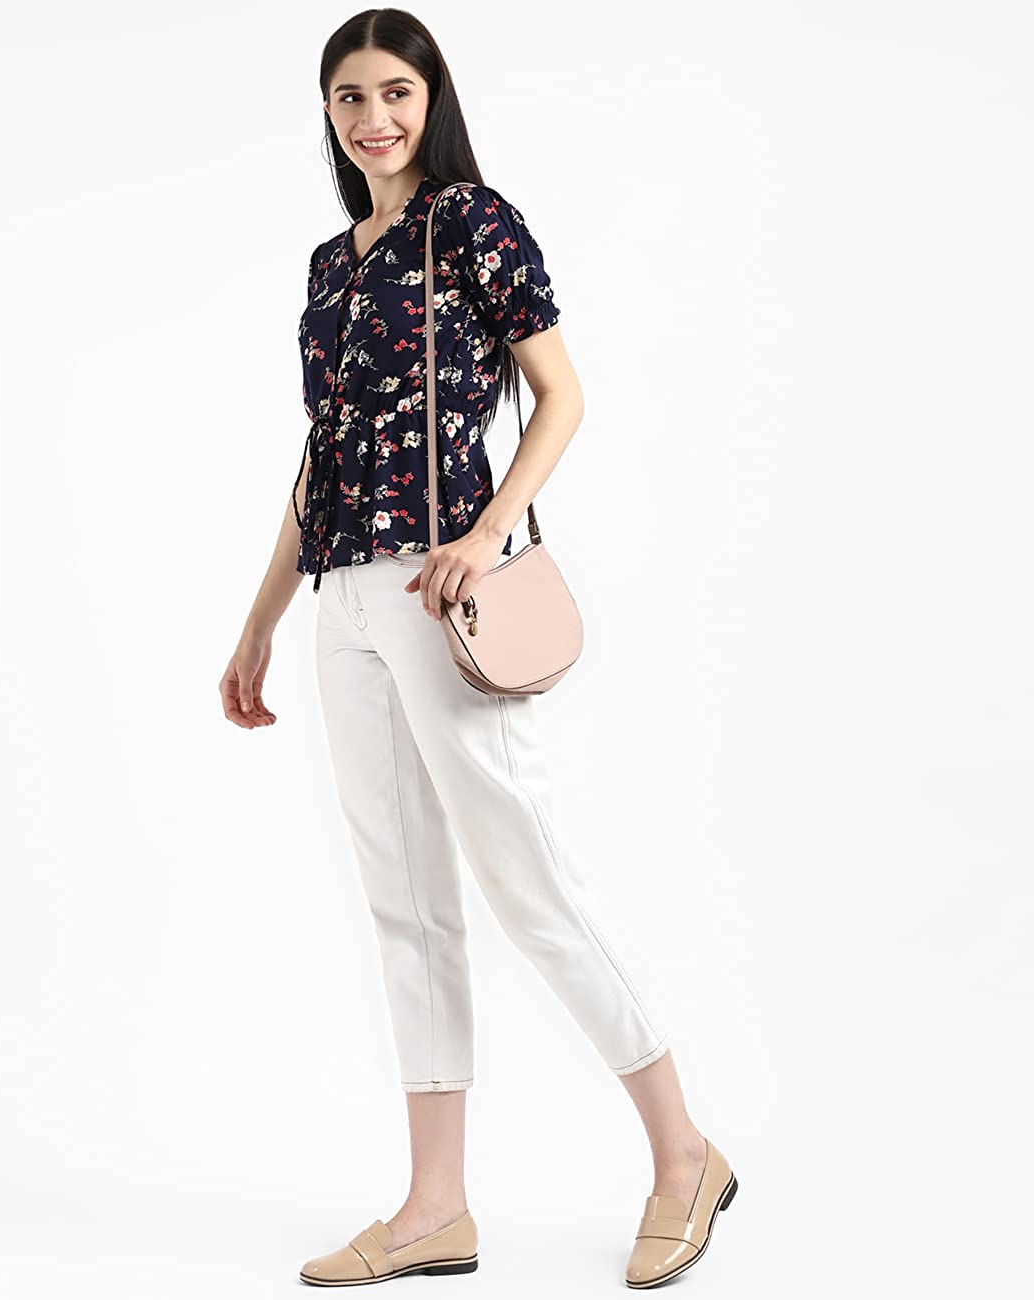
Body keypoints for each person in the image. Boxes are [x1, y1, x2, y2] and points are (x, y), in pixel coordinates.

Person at [218, 8, 738, 1290]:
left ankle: (684, 1156)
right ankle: (434, 1206)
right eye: (349, 96)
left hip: (442, 592)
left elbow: (561, 392)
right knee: (403, 902)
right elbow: (321, 457)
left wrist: (490, 528)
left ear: (431, 99)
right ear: (327, 111)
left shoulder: (474, 224)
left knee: (526, 881)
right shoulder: (330, 265)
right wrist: (261, 618)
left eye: (395, 92)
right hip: (343, 598)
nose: (373, 117)